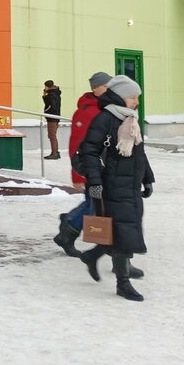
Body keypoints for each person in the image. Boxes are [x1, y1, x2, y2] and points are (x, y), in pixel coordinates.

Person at [76, 75, 155, 302]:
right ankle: (123, 283)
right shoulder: (105, 119)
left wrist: (147, 178)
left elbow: (139, 153)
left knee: (125, 229)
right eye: (132, 97)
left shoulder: (131, 119)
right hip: (111, 185)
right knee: (123, 231)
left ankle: (93, 256)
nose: (136, 101)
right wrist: (95, 182)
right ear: (120, 97)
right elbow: (89, 152)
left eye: (137, 97)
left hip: (130, 185)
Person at [53, 71, 111, 257]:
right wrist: (78, 175)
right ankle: (70, 229)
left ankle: (69, 225)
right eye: (106, 86)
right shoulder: (87, 112)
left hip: (105, 168)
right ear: (95, 88)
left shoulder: (106, 108)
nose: (110, 89)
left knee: (95, 203)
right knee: (95, 205)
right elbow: (76, 145)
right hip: (91, 169)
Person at [42, 79, 62, 159]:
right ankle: (56, 152)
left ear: (48, 86)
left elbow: (51, 106)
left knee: (52, 136)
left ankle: (54, 153)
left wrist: (46, 112)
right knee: (53, 135)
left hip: (52, 118)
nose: (44, 88)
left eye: (45, 86)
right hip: (55, 117)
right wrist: (45, 96)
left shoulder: (51, 95)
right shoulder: (55, 93)